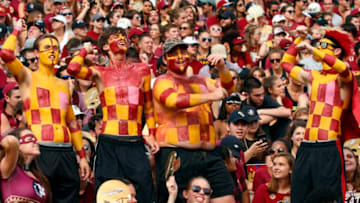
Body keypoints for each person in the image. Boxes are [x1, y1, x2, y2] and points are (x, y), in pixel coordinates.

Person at [0, 19, 90, 202]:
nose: (52, 51)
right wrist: (17, 29)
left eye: (56, 48)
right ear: (36, 52)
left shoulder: (65, 85)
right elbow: (6, 53)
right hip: (41, 150)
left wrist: (82, 157)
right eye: (47, 47)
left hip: (66, 151)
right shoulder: (27, 77)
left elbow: (72, 123)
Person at [68, 27, 158, 203]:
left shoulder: (142, 70)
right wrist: (86, 49)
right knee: (107, 194)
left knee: (143, 194)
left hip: (135, 141)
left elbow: (149, 107)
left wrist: (152, 134)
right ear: (106, 47)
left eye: (124, 35)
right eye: (115, 37)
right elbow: (72, 68)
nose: (121, 38)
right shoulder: (99, 72)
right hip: (109, 142)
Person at [281, 26, 360, 203]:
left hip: (329, 147)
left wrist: (313, 49)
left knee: (329, 198)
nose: (319, 47)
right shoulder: (313, 76)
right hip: (307, 147)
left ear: (337, 51)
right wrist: (298, 40)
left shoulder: (342, 78)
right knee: (299, 197)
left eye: (325, 45)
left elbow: (343, 69)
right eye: (319, 44)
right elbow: (286, 63)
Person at [153, 38, 235, 202]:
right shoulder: (162, 81)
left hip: (209, 154)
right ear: (164, 59)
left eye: (183, 52)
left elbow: (228, 89)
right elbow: (173, 100)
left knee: (226, 196)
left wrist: (221, 67)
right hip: (177, 154)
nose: (180, 56)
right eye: (173, 53)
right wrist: (211, 96)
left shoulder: (201, 80)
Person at [0, 128, 51, 202]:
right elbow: (11, 141)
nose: (37, 142)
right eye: (30, 139)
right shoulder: (9, 169)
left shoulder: (39, 176)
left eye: (35, 139)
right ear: (18, 145)